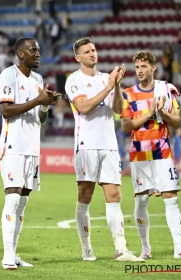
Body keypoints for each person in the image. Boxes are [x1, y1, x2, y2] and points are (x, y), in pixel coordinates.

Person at [64, 37, 143, 262]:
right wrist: (109, 86)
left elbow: (118, 109)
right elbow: (84, 108)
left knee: (114, 195)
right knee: (85, 196)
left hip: (109, 145)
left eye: (94, 50)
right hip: (86, 145)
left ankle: (121, 249)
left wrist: (116, 85)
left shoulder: (105, 79)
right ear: (78, 57)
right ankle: (86, 248)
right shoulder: (74, 80)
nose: (92, 54)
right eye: (87, 51)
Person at [120, 50, 181, 260]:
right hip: (139, 154)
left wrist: (161, 111)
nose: (139, 71)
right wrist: (148, 113)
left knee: (171, 197)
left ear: (153, 68)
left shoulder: (166, 88)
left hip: (162, 152)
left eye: (143, 66)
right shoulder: (128, 94)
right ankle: (145, 248)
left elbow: (177, 121)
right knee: (141, 201)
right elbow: (126, 125)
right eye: (137, 67)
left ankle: (179, 248)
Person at [0, 37, 61, 270]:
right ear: (20, 54)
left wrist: (45, 104)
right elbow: (6, 111)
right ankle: (6, 256)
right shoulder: (8, 75)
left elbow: (41, 118)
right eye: (33, 50)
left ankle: (13, 254)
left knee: (22, 203)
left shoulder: (38, 79)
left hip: (32, 148)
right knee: (13, 198)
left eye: (38, 50)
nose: (38, 53)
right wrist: (38, 100)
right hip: (13, 145)